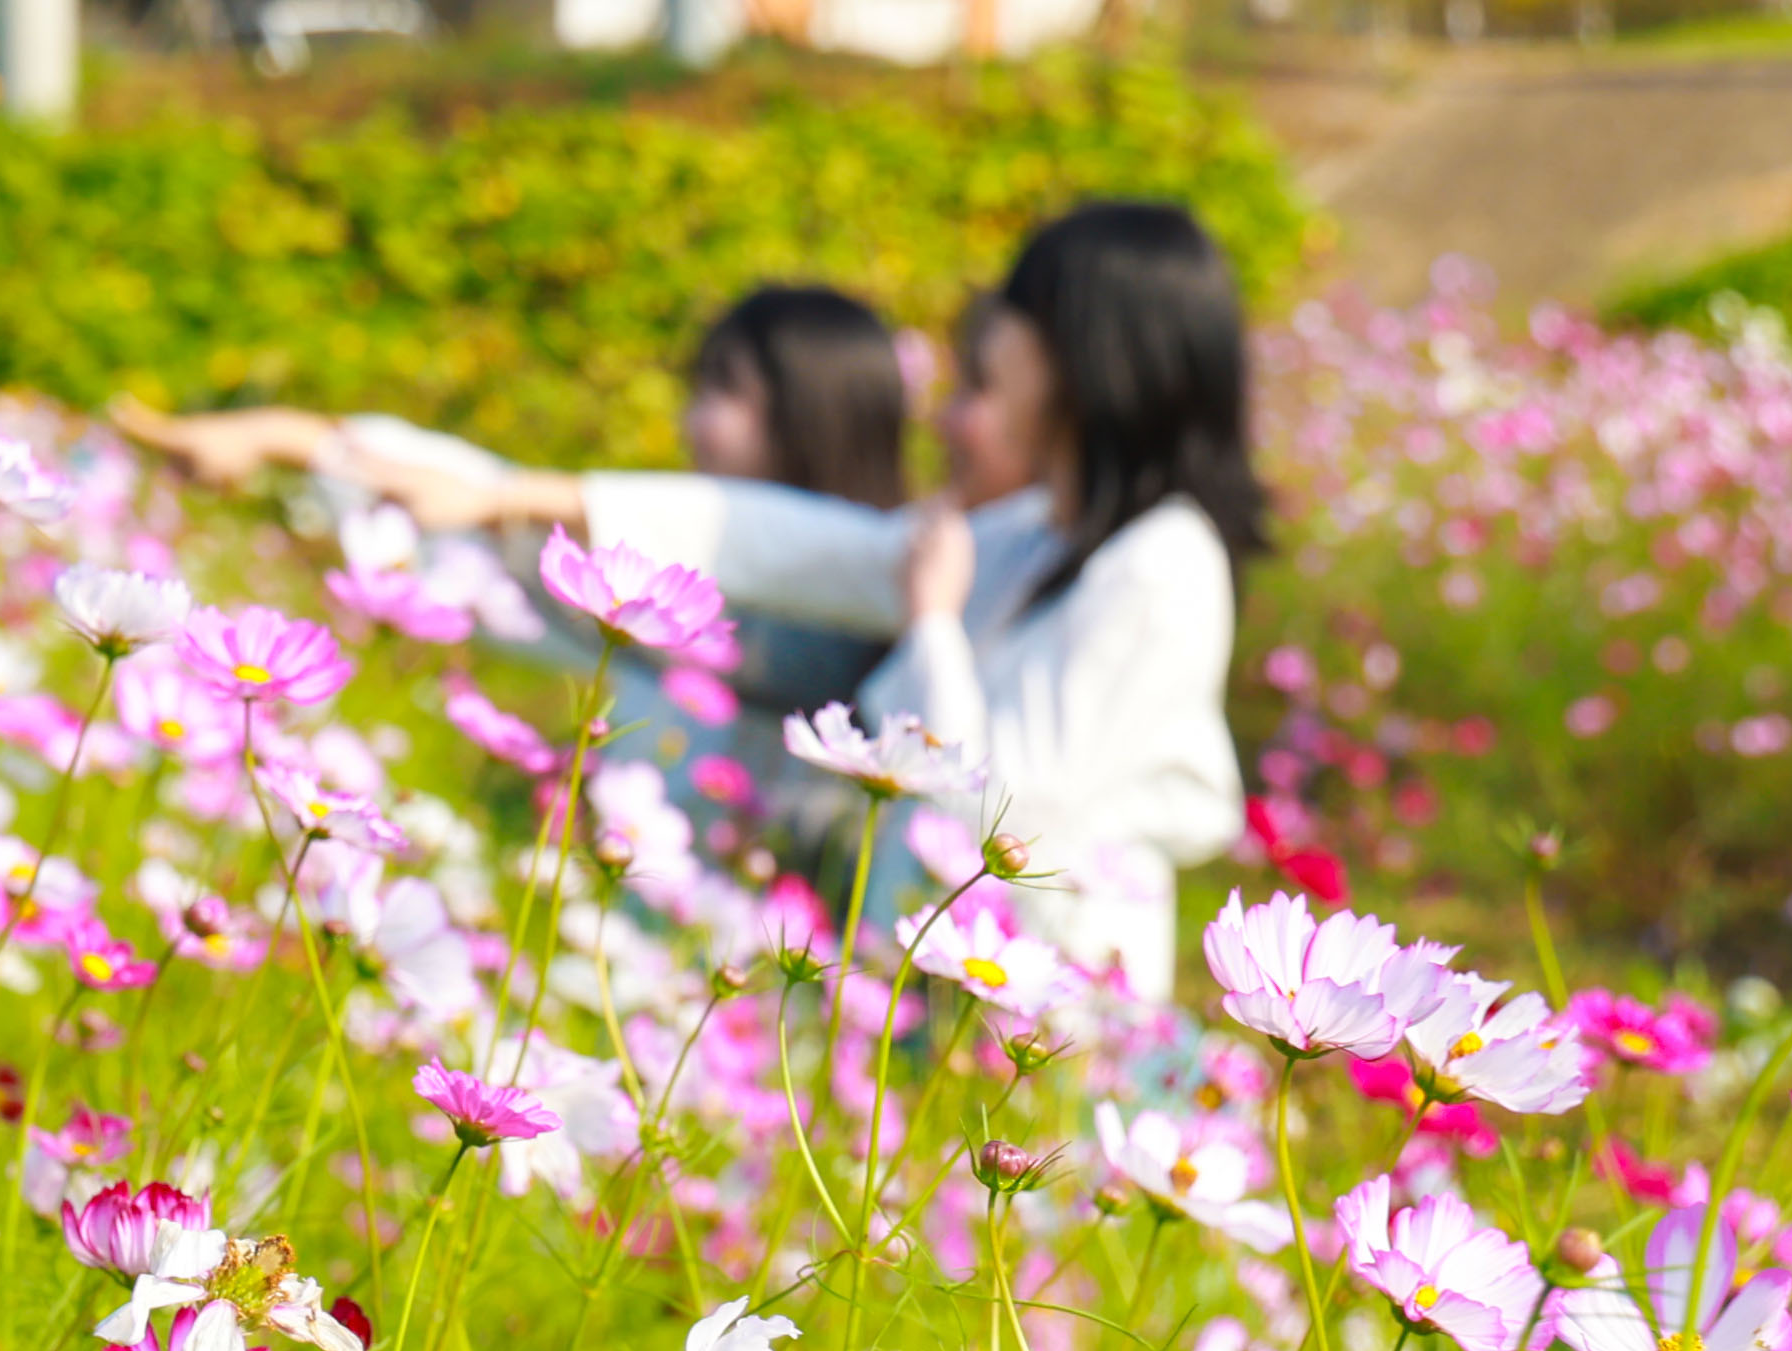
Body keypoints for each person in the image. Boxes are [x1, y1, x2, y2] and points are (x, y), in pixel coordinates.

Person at [196, 202, 1266, 997]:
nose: (992, 346)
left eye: (1017, 325)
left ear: (1083, 351)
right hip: (929, 988)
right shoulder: (1043, 536)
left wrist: (934, 623)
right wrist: (513, 496)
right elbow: (808, 549)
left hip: (1035, 1034)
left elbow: (1014, 816)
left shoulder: (1161, 567)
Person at [112, 286, 922, 869]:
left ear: (815, 412)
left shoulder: (876, 610)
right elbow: (486, 511)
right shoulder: (675, 564)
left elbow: (506, 511)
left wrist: (298, 443)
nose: (692, 419)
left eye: (726, 391)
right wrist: (291, 441)